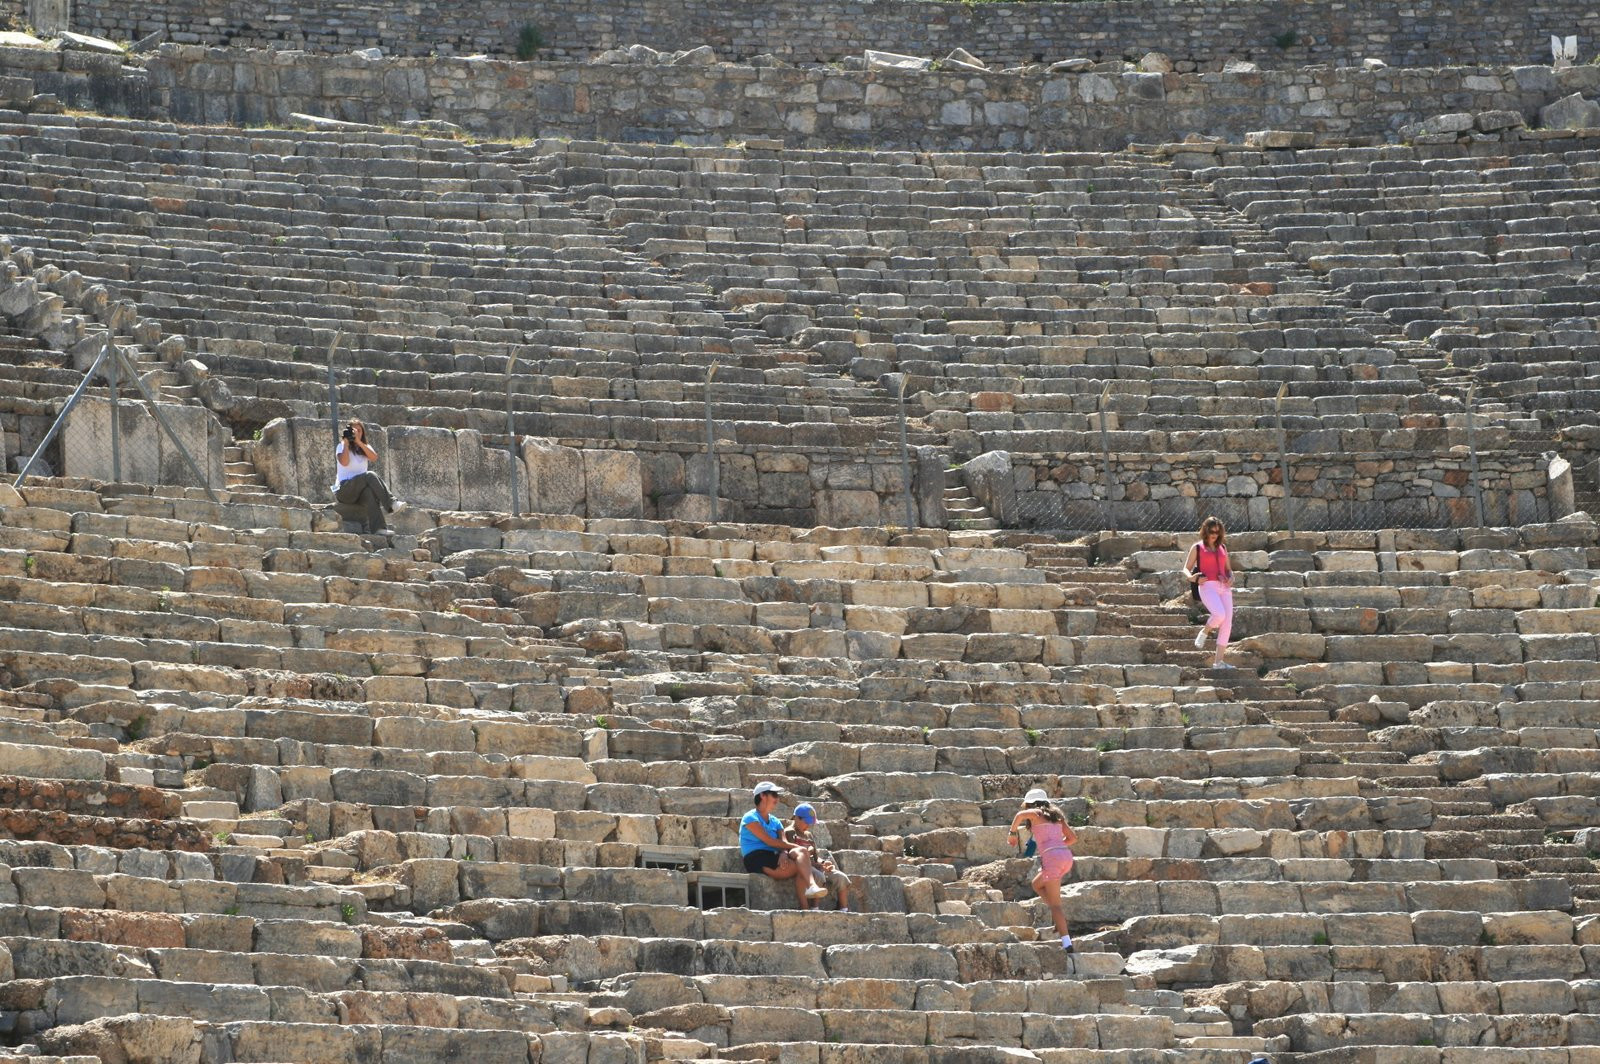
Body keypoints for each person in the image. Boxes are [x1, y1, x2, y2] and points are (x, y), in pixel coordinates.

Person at [1007, 787, 1077, 952]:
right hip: (1066, 857)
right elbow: (1073, 838)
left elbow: (1019, 816)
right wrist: (1056, 846)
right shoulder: (1057, 817)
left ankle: (1067, 943)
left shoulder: (1035, 813)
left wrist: (1012, 834)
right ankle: (1057, 917)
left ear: (1031, 804)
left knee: (1056, 905)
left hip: (1053, 860)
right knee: (1036, 884)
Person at [740, 782, 828, 907]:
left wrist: (783, 853)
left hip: (775, 855)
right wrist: (796, 847)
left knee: (802, 857)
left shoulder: (775, 821)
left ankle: (811, 890)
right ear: (763, 796)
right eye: (774, 794)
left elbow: (784, 843)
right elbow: (769, 841)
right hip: (757, 858)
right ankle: (809, 900)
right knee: (802, 862)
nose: (777, 798)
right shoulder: (750, 817)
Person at [332, 418, 402, 533]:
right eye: (354, 430)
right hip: (343, 490)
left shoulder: (365, 446)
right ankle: (391, 503)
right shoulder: (341, 446)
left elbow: (374, 458)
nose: (356, 433)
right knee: (370, 475)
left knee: (369, 492)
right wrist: (346, 443)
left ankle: (379, 528)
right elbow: (344, 462)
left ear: (362, 433)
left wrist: (359, 442)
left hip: (358, 493)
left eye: (359, 430)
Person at [1185, 515, 1234, 669]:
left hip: (1224, 587)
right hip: (1207, 586)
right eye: (1212, 531)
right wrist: (1192, 578)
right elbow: (1186, 568)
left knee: (1227, 623)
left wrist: (1231, 578)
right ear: (1205, 530)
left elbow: (1229, 570)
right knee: (1219, 615)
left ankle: (1218, 662)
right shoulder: (1198, 547)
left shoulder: (1223, 548)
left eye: (1218, 532)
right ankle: (1205, 631)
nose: (1215, 534)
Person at [786, 803, 855, 912]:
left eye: (810, 823)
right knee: (819, 876)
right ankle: (815, 907)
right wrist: (817, 865)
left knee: (840, 877)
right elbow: (792, 856)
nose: (808, 826)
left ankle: (844, 908)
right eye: (806, 822)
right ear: (796, 818)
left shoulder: (808, 835)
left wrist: (823, 862)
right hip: (805, 868)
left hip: (816, 865)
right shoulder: (789, 833)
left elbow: (815, 857)